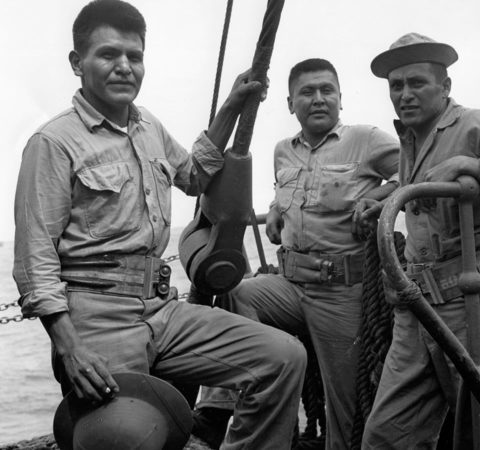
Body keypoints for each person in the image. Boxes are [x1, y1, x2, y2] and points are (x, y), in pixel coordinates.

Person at [12, 1, 307, 448]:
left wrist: (231, 106)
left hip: (161, 310)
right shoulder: (52, 143)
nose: (124, 67)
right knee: (127, 436)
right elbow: (35, 259)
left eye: (135, 56)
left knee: (283, 357)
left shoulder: (148, 125)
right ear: (77, 63)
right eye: (108, 55)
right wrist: (69, 348)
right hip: (98, 321)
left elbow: (195, 175)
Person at [359, 33, 480, 449]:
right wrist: (388, 196)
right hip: (415, 310)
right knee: (385, 438)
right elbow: (423, 193)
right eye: (397, 86)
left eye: (417, 83)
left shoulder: (476, 125)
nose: (405, 95)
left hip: (472, 306)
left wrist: (473, 165)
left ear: (445, 86)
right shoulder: (410, 139)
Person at [194, 58, 400, 449]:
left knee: (347, 408)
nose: (318, 99)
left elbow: (414, 171)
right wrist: (274, 209)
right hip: (291, 285)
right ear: (291, 104)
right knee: (238, 293)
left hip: (341, 291)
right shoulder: (282, 151)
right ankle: (220, 405)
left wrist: (378, 196)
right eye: (307, 92)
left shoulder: (366, 140)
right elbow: (291, 192)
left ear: (341, 98)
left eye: (327, 90)